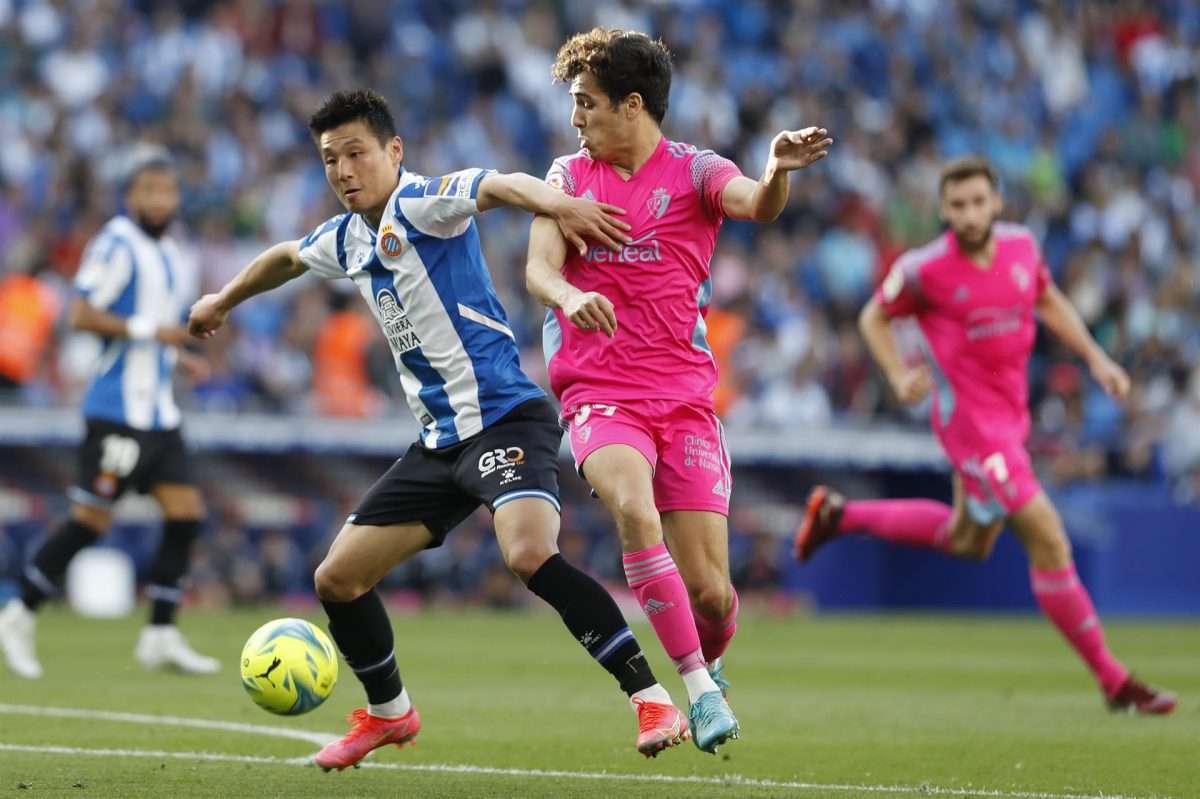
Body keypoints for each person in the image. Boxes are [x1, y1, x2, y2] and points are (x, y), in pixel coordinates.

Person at [188, 89, 690, 770]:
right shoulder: (346, 238)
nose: (343, 170)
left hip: (505, 418)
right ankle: (390, 714)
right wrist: (222, 300)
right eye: (331, 159)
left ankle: (652, 698)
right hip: (439, 443)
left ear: (394, 151)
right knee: (337, 578)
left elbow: (499, 185)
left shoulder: (422, 202)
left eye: (356, 153)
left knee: (528, 554)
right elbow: (286, 257)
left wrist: (561, 204)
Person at [524, 28, 832, 753]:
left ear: (632, 105)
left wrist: (776, 170)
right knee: (635, 509)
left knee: (714, 597)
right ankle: (696, 689)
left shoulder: (696, 172)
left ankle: (711, 663)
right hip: (600, 391)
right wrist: (568, 296)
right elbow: (538, 268)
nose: (576, 118)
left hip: (686, 401)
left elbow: (757, 203)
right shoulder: (567, 177)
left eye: (587, 103)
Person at [794, 156, 1177, 715]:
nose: (970, 215)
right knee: (1049, 538)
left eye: (978, 202)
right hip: (971, 428)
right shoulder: (925, 269)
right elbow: (873, 317)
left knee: (969, 541)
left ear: (997, 202)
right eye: (958, 205)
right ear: (943, 210)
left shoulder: (1022, 247)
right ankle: (1114, 680)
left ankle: (839, 515)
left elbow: (1047, 299)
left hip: (1010, 419)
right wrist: (898, 374)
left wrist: (1097, 358)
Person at [0, 146, 219, 679]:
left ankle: (160, 635)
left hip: (159, 414)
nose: (160, 199)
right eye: (149, 190)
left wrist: (179, 357)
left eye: (167, 190)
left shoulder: (173, 253)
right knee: (90, 522)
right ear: (129, 197)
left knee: (187, 513)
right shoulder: (116, 243)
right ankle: (19, 613)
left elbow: (154, 332)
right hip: (117, 411)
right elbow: (81, 314)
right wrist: (154, 332)